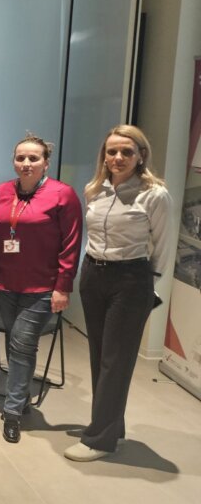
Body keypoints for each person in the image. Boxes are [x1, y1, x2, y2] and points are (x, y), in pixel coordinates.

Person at [65, 125, 171, 462]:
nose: (118, 157)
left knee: (116, 360)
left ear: (141, 155)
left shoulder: (154, 194)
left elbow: (164, 249)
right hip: (94, 274)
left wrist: (148, 288)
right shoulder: (94, 190)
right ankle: (112, 427)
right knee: (100, 355)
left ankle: (99, 439)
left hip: (131, 279)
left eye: (127, 151)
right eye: (112, 151)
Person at [0, 135, 82, 444]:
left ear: (46, 162)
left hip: (42, 287)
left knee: (22, 343)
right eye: (20, 158)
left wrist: (63, 287)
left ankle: (13, 411)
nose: (26, 164)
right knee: (18, 345)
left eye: (33, 158)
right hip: (4, 283)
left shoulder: (63, 195)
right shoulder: (1, 192)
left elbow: (71, 245)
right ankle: (21, 395)